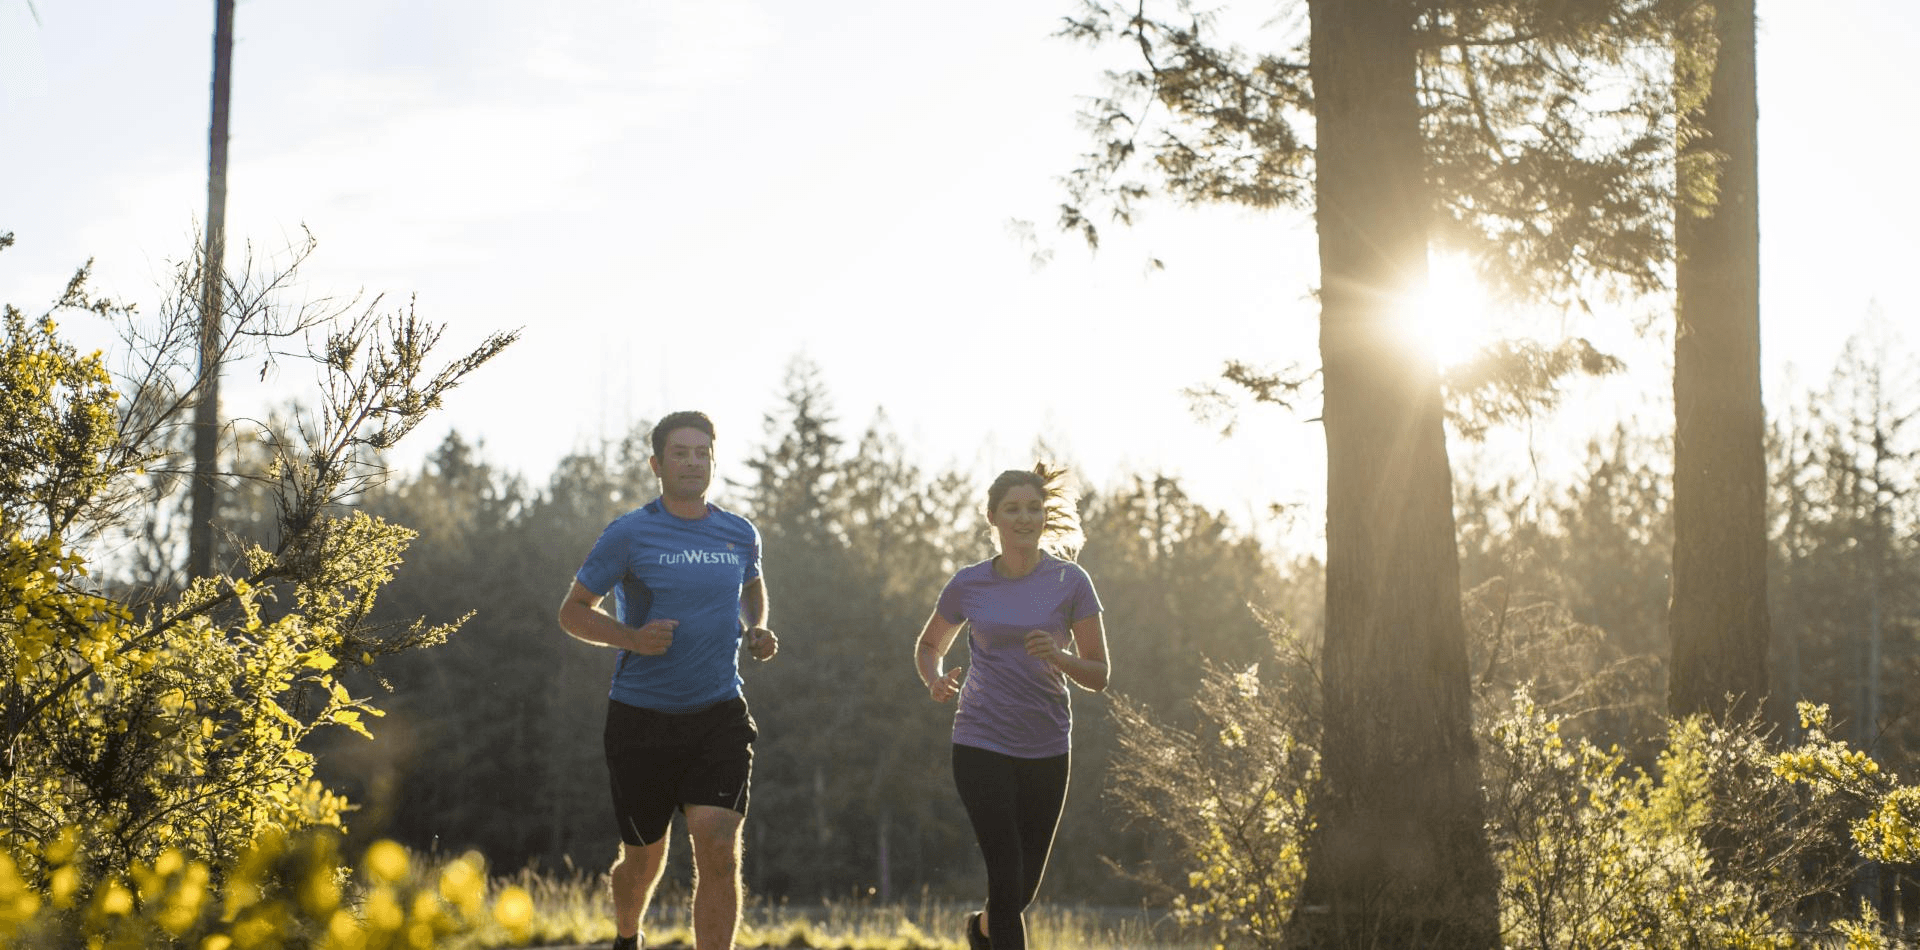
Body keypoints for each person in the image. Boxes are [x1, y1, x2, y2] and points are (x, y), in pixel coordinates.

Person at [558, 410, 779, 950]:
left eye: (703, 452)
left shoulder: (739, 533)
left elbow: (752, 586)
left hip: (718, 714)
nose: (693, 462)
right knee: (642, 861)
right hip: (641, 719)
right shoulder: (629, 533)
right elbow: (573, 612)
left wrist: (757, 626)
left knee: (719, 849)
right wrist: (632, 639)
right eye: (680, 453)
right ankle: (627, 935)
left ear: (713, 461)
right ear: (657, 464)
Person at [914, 463, 1111, 950]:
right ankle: (993, 927)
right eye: (1013, 509)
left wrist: (1059, 656)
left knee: (1020, 891)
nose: (1025, 518)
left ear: (1045, 515)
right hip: (980, 741)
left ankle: (981, 929)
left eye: (1034, 508)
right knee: (1005, 877)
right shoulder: (969, 583)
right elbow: (930, 645)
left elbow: (1099, 674)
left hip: (1047, 746)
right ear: (992, 517)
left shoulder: (1071, 580)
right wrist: (935, 680)